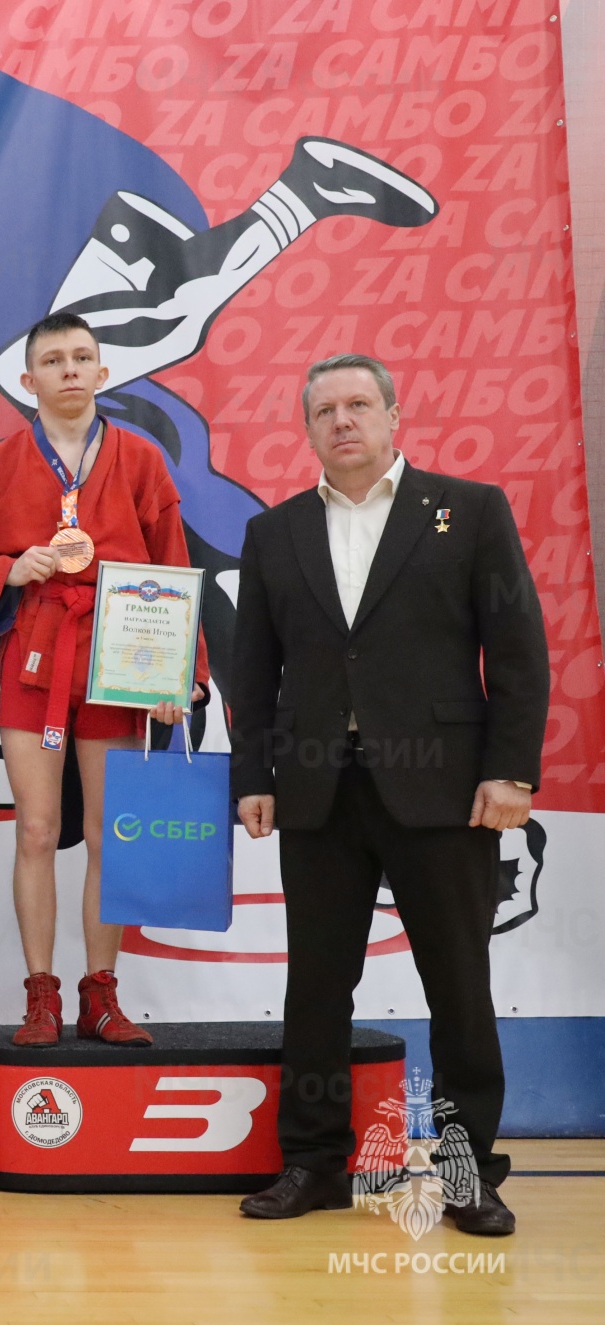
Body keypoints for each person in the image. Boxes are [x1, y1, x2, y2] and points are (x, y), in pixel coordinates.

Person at [230, 354, 547, 1235]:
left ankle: (467, 1173)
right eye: (325, 409)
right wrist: (252, 775)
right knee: (316, 987)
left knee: (459, 984)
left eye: (359, 404)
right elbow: (251, 670)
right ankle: (314, 1162)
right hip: (317, 791)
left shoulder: (469, 510)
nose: (343, 420)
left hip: (446, 790)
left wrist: (512, 770)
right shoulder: (274, 532)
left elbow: (517, 649)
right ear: (306, 428)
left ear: (394, 415)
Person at [0, 310, 205, 1048]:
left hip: (123, 652)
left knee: (107, 832)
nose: (69, 369)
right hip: (36, 650)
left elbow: (172, 560)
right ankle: (40, 994)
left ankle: (101, 992)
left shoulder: (141, 459)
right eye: (53, 360)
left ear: (102, 371)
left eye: (81, 357)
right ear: (27, 380)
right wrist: (6, 570)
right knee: (36, 828)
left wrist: (181, 673)